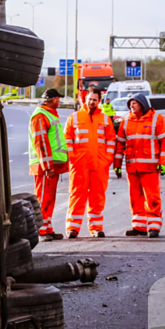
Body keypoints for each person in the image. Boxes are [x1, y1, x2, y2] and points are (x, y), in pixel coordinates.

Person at [114, 94, 165, 238]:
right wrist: (117, 164)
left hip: (150, 167)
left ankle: (154, 227)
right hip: (132, 167)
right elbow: (120, 143)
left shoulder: (157, 119)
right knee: (135, 197)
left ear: (142, 104)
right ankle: (139, 226)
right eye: (130, 104)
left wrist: (163, 163)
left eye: (134, 103)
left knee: (152, 197)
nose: (131, 106)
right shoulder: (126, 121)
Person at [64, 87, 116, 238]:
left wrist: (107, 159)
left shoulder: (105, 119)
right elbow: (67, 139)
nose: (91, 102)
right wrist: (73, 157)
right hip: (79, 164)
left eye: (94, 99)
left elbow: (111, 140)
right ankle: (72, 228)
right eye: (89, 99)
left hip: (100, 164)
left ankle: (96, 227)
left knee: (97, 196)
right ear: (84, 99)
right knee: (77, 195)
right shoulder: (74, 118)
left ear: (99, 101)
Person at [28, 88, 67, 241]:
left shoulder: (48, 115)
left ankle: (47, 228)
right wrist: (47, 166)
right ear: (53, 99)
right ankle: (41, 231)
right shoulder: (40, 116)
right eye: (58, 98)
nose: (60, 101)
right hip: (44, 166)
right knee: (43, 198)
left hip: (50, 165)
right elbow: (41, 143)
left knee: (49, 198)